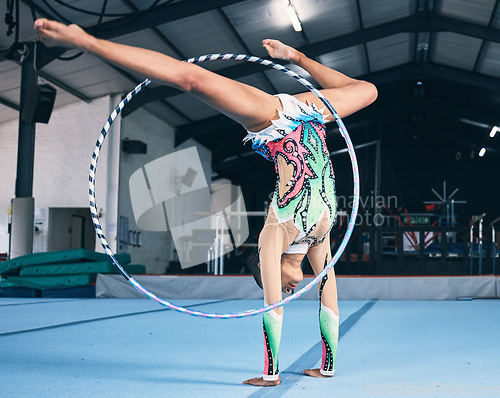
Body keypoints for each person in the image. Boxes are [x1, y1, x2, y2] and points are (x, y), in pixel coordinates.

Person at [35, 18, 377, 387]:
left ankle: (85, 41)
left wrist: (271, 375)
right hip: (312, 118)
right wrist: (327, 366)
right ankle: (296, 55)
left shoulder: (273, 235)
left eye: (274, 283)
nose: (288, 290)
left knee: (190, 79)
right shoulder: (317, 238)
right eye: (284, 287)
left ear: (268, 269)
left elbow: (271, 308)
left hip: (273, 119)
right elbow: (328, 299)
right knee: (369, 90)